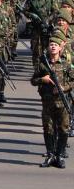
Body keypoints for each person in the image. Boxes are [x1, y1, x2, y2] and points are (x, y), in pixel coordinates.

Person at [31, 35, 72, 168]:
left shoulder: (66, 64)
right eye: (51, 44)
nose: (53, 46)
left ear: (60, 48)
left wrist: (64, 87)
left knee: (63, 129)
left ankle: (59, 156)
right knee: (48, 129)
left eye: (56, 44)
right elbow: (33, 80)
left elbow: (72, 81)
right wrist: (42, 80)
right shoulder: (43, 64)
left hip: (62, 101)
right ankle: (50, 154)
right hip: (47, 102)